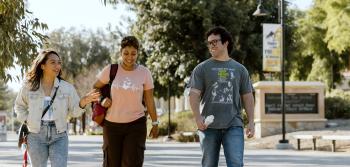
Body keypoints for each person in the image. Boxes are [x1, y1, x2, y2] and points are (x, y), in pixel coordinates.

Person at [14, 49, 100, 167]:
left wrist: (83, 102)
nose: (57, 66)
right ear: (42, 65)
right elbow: (19, 106)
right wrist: (26, 120)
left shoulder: (66, 88)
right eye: (53, 62)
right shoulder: (29, 86)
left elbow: (75, 112)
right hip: (35, 135)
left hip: (59, 135)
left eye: (59, 62)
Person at [189, 26, 255, 167]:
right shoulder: (201, 68)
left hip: (234, 124)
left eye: (215, 42)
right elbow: (194, 94)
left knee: (236, 164)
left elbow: (247, 96)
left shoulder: (240, 69)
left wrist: (251, 121)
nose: (211, 45)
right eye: (209, 43)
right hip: (208, 126)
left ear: (226, 43)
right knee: (208, 164)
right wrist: (197, 117)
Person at [93, 36, 159, 167]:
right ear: (120, 52)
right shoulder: (111, 70)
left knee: (132, 163)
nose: (130, 57)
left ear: (138, 53)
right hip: (111, 126)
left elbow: (149, 100)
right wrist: (102, 99)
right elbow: (95, 87)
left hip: (136, 125)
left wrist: (155, 123)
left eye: (133, 53)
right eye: (126, 53)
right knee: (111, 164)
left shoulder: (144, 73)